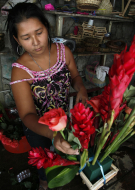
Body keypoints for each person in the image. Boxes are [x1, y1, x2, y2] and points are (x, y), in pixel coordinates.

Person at [6, 2, 88, 190]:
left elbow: (75, 76)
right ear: (17, 40)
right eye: (26, 37)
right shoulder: (20, 71)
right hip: (38, 128)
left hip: (64, 119)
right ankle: (44, 182)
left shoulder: (63, 52)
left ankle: (62, 176)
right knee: (44, 159)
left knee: (64, 154)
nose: (35, 42)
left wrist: (81, 88)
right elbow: (27, 115)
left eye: (39, 32)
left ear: (47, 27)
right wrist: (53, 135)